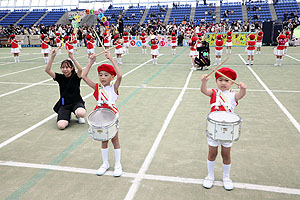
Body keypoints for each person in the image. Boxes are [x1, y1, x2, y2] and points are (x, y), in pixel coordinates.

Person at [200, 67, 247, 191]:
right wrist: (203, 81)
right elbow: (204, 91)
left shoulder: (232, 95)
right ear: (216, 82)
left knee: (226, 154)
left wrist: (243, 89)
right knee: (212, 152)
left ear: (232, 83)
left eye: (227, 81)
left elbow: (240, 95)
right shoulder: (214, 92)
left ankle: (226, 177)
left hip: (227, 130)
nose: (223, 83)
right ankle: (210, 176)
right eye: (220, 80)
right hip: (213, 128)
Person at [81, 51, 123, 177]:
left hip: (111, 116)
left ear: (111, 77)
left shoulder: (113, 88)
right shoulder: (97, 88)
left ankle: (118, 164)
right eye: (100, 75)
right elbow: (83, 76)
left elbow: (120, 76)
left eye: (106, 75)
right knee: (103, 140)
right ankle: (105, 163)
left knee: (115, 140)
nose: (102, 77)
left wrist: (111, 59)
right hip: (100, 116)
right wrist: (91, 62)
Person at [45, 49, 86, 130]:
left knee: (81, 113)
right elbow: (47, 70)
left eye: (67, 67)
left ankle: (78, 115)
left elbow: (80, 70)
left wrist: (72, 58)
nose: (64, 69)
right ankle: (67, 115)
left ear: (72, 68)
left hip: (76, 102)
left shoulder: (75, 77)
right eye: (63, 67)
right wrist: (52, 57)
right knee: (61, 126)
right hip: (65, 104)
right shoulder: (60, 77)